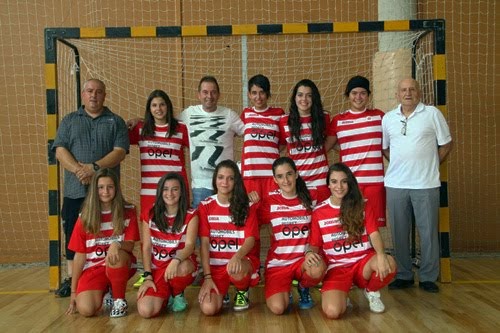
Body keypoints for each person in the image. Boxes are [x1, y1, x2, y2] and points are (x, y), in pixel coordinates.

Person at [52, 78, 129, 297]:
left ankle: (109, 274)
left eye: (98, 92)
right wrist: (79, 170)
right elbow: (59, 151)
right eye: (89, 91)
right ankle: (71, 278)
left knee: (111, 232)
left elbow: (120, 152)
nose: (93, 95)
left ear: (105, 95)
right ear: (83, 94)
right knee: (73, 234)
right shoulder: (69, 121)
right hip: (76, 191)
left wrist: (94, 168)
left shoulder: (116, 121)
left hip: (107, 193)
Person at [382, 78, 452, 293]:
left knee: (428, 232)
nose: (408, 93)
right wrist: (399, 165)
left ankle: (428, 277)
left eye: (412, 89)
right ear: (397, 94)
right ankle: (403, 274)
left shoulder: (432, 114)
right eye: (403, 90)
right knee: (399, 232)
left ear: (418, 92)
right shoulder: (388, 118)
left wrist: (431, 163)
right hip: (396, 185)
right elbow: (385, 148)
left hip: (426, 184)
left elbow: (447, 143)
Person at [309, 163, 396, 319]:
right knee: (333, 312)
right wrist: (309, 254)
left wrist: (381, 255)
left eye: (344, 181)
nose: (339, 186)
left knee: (389, 263)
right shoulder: (319, 212)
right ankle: (342, 294)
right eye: (334, 181)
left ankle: (371, 291)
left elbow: (374, 233)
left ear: (349, 183)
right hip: (337, 268)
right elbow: (314, 244)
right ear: (328, 184)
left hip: (363, 263)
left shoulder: (362, 204)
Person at [129, 90, 190, 288]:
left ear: (168, 107)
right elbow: (118, 135)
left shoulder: (181, 129)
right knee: (149, 233)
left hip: (175, 192)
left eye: (162, 105)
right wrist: (129, 122)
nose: (158, 109)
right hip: (150, 192)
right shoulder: (141, 129)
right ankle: (146, 271)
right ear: (149, 109)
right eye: (154, 105)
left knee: (178, 231)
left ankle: (179, 267)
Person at [65, 168, 140, 318]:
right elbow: (79, 256)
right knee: (86, 310)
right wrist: (73, 291)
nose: (105, 191)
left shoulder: (128, 211)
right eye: (101, 187)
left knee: (115, 256)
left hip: (120, 264)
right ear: (95, 189)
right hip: (94, 269)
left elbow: (130, 244)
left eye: (110, 187)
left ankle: (119, 301)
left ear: (116, 189)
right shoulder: (84, 217)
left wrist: (116, 244)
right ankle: (106, 291)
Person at [258, 157, 325, 314]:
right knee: (278, 308)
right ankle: (284, 288)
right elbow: (249, 220)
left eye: (289, 174)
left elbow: (334, 206)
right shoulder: (269, 200)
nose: (286, 180)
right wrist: (249, 200)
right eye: (280, 176)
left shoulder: (313, 195)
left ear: (296, 174)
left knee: (317, 268)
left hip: (303, 260)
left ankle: (303, 287)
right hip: (278, 263)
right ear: (274, 179)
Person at [197, 160, 260, 315]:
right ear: (215, 180)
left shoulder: (246, 205)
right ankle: (222, 290)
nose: (224, 182)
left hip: (239, 262)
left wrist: (237, 257)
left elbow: (250, 239)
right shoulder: (205, 206)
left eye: (230, 178)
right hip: (216, 267)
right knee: (208, 309)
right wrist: (207, 277)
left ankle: (242, 291)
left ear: (236, 181)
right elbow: (204, 244)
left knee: (236, 269)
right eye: (221, 177)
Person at [327, 76, 387, 227]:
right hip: (349, 184)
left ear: (368, 95)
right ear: (348, 95)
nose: (358, 97)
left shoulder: (379, 116)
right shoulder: (338, 120)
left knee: (373, 227)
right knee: (351, 224)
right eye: (354, 93)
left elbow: (389, 146)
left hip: (375, 183)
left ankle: (373, 252)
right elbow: (326, 146)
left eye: (363, 93)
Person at [137, 173, 198, 317]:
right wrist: (147, 277)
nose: (170, 193)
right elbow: (146, 247)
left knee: (182, 268)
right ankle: (165, 295)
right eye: (165, 189)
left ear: (182, 191)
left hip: (179, 264)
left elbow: (189, 246)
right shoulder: (150, 214)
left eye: (175, 189)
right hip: (157, 269)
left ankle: (177, 293)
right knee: (146, 311)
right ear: (160, 192)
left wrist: (176, 260)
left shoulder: (191, 215)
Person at [179, 76, 245, 208]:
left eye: (213, 92)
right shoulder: (188, 114)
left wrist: (242, 166)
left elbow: (250, 136)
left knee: (227, 225)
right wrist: (141, 120)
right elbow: (165, 123)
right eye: (205, 92)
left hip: (226, 184)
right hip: (200, 185)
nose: (209, 96)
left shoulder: (229, 115)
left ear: (219, 94)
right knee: (202, 227)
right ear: (198, 95)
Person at [279, 79, 332, 202]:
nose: (304, 99)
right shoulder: (283, 121)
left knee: (320, 219)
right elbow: (281, 147)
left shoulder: (324, 118)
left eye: (309, 95)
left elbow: (330, 143)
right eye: (300, 95)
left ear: (315, 99)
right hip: (296, 182)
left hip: (321, 181)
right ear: (294, 97)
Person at [240, 74, 284, 199]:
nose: (258, 97)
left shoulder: (278, 114)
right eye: (254, 93)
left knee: (272, 212)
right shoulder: (246, 113)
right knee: (252, 211)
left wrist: (265, 150)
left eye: (262, 92)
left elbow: (281, 144)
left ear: (268, 93)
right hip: (250, 175)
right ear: (249, 94)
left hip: (272, 175)